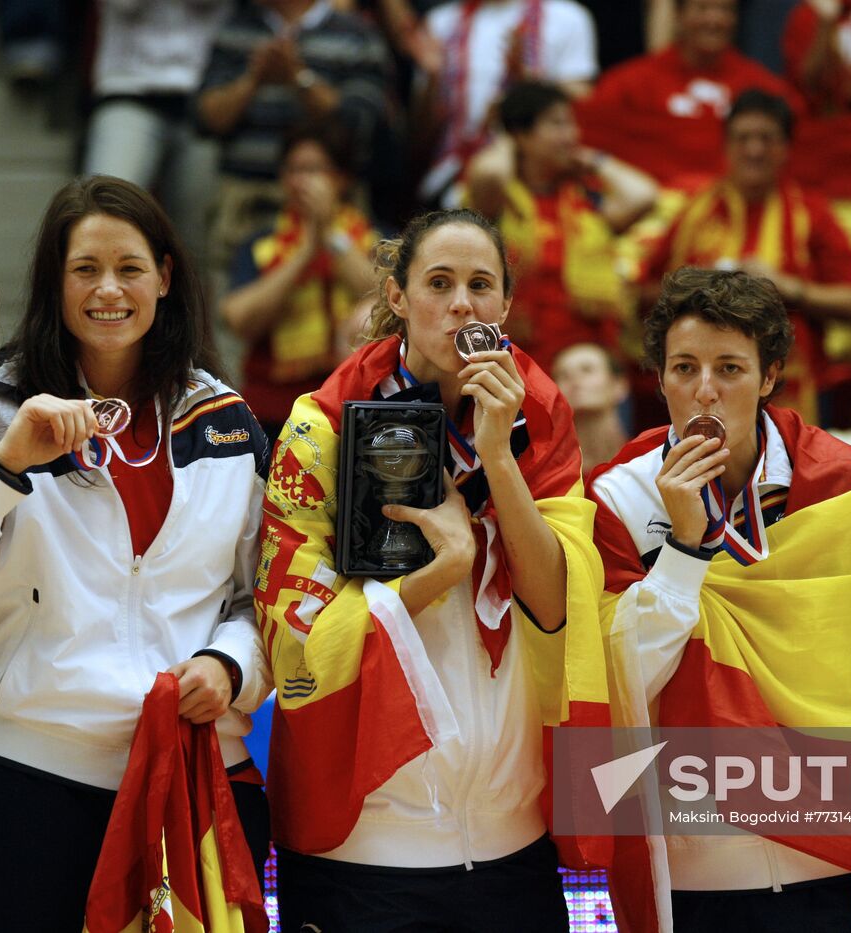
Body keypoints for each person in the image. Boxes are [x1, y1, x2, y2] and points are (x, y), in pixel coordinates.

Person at [0, 175, 273, 932]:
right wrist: (2, 470)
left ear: (165, 276)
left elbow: (263, 601)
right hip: (19, 783)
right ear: (54, 282)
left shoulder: (226, 422)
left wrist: (231, 665)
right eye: (85, 268)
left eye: (129, 267)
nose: (108, 290)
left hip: (191, 778)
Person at [255, 208, 609, 932]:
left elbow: (557, 605)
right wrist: (447, 567)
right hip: (364, 844)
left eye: (480, 286)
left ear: (504, 305)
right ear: (397, 295)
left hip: (513, 837)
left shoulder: (540, 414)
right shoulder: (321, 424)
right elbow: (295, 644)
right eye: (438, 283)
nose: (460, 305)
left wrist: (498, 457)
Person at [588, 267, 851, 932]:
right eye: (684, 368)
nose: (705, 390)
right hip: (698, 865)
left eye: (730, 368)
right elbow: (617, 680)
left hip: (835, 856)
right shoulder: (615, 498)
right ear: (658, 378)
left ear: (770, 375)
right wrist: (683, 552)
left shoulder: (840, 480)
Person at [643, 88, 851, 424]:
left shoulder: (811, 213)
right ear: (726, 145)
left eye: (766, 139)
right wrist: (697, 287)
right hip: (701, 388)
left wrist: (789, 288)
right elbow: (641, 294)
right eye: (743, 138)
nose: (754, 150)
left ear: (786, 148)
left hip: (790, 386)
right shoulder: (695, 212)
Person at [467, 80, 657, 371]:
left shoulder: (585, 195)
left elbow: (644, 195)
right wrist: (508, 136)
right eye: (557, 124)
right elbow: (490, 173)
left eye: (571, 124)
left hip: (592, 359)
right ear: (521, 134)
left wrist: (593, 159)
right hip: (519, 360)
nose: (572, 135)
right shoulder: (499, 199)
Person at [197, 0, 393, 262]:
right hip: (244, 200)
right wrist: (253, 79)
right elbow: (206, 120)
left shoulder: (357, 34)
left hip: (331, 201)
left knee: (347, 286)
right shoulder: (235, 28)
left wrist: (298, 77)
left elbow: (361, 124)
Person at [221, 123, 379, 436]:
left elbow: (387, 296)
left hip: (353, 399)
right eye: (292, 170)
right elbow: (239, 319)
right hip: (273, 407)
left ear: (341, 178)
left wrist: (328, 233)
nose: (299, 181)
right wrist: (305, 252)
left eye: (313, 170)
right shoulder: (262, 243)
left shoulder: (371, 237)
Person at [575, 0, 803, 191]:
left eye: (725, 10)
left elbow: (799, 149)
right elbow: (585, 145)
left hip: (739, 210)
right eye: (703, 9)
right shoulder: (629, 84)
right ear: (678, 15)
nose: (714, 20)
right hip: (655, 210)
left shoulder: (763, 87)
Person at [82, 0, 231, 270]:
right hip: (128, 90)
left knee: (197, 245)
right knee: (102, 213)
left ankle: (183, 300)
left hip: (205, 99)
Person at [415, 0, 599, 204]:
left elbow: (582, 99)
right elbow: (418, 135)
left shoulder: (566, 17)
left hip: (541, 171)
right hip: (455, 171)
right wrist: (433, 79)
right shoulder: (441, 22)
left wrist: (526, 84)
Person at [551, 341, 630, 476]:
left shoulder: (648, 458)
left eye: (587, 370)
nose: (575, 380)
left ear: (619, 385)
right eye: (564, 375)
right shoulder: (549, 472)